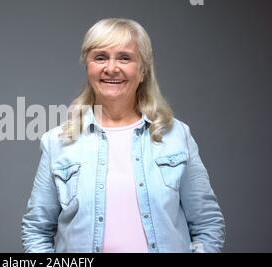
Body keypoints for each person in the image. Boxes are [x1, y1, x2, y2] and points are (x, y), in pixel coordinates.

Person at [21, 18, 225, 253]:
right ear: (87, 66)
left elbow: (207, 223)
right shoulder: (57, 141)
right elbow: (37, 229)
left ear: (143, 69)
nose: (111, 68)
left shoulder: (176, 135)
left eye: (124, 57)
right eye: (100, 57)